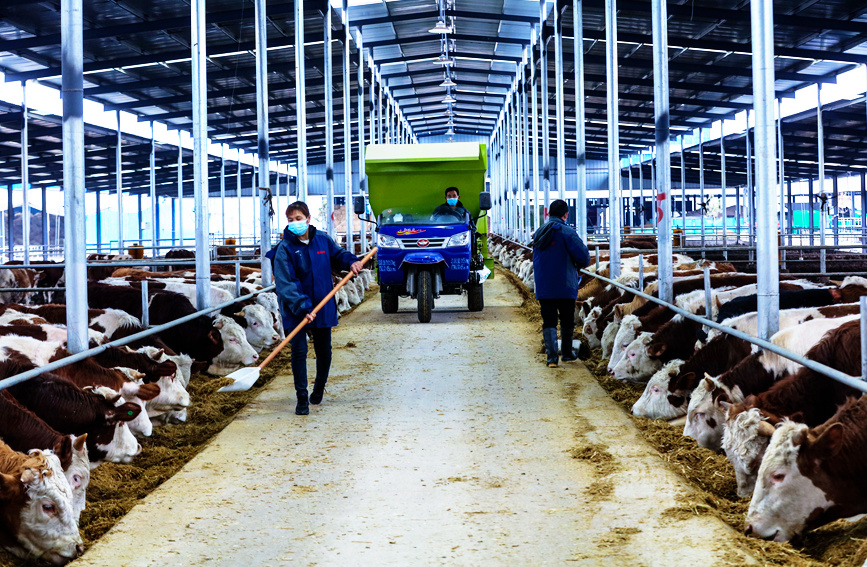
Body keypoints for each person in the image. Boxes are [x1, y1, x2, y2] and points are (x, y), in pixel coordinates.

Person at [272, 201, 364, 415]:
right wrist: (303, 307)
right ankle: (301, 398)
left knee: (324, 351)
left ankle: (319, 389)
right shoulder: (284, 249)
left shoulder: (322, 239)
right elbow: (286, 283)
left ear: (308, 218)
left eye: (298, 218)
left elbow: (338, 255)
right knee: (299, 351)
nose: (294, 223)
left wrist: (351, 261)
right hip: (296, 309)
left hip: (322, 304)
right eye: (290, 220)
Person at [532, 199, 591, 368]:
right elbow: (584, 257)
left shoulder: (539, 232)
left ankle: (551, 359)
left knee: (549, 320)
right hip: (565, 284)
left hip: (544, 285)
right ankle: (566, 353)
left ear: (549, 213)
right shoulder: (567, 232)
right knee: (566, 320)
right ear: (566, 214)